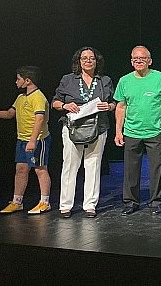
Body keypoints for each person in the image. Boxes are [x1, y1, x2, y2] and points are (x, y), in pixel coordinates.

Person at [52, 47, 115, 218]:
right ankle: (65, 205)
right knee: (70, 166)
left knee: (93, 166)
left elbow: (114, 103)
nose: (88, 61)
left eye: (91, 58)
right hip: (73, 128)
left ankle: (90, 205)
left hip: (98, 127)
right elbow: (55, 102)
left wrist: (108, 106)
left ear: (97, 61)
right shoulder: (68, 80)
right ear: (78, 61)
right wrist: (65, 106)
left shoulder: (105, 80)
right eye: (84, 58)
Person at [114, 46, 161, 216]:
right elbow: (120, 107)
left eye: (142, 58)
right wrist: (118, 131)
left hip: (155, 131)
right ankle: (131, 202)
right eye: (135, 59)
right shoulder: (124, 81)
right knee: (130, 169)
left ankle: (157, 202)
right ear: (131, 61)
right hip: (131, 131)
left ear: (149, 61)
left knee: (157, 169)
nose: (138, 61)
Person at [0, 66, 52, 215]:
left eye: (18, 79)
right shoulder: (20, 98)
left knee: (40, 169)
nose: (16, 82)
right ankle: (17, 202)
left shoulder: (38, 97)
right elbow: (9, 114)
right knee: (21, 169)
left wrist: (32, 141)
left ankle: (45, 202)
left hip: (37, 140)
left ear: (27, 80)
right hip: (22, 139)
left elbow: (39, 119)